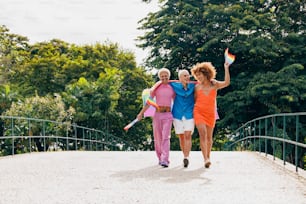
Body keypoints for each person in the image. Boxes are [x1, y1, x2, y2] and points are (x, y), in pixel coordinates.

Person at [191, 61, 231, 168]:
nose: (198, 77)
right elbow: (194, 100)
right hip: (198, 111)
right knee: (203, 134)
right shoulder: (196, 87)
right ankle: (205, 159)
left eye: (200, 74)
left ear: (206, 74)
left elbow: (227, 83)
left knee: (209, 137)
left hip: (210, 113)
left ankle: (208, 156)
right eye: (197, 75)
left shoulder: (215, 84)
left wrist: (226, 68)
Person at [137, 68, 175, 168]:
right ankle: (160, 158)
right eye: (162, 76)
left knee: (166, 137)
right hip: (157, 115)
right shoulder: (156, 88)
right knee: (158, 138)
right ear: (159, 77)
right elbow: (149, 102)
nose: (164, 77)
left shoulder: (172, 87)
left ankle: (165, 159)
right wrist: (141, 113)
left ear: (169, 76)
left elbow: (177, 101)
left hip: (168, 115)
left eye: (166, 75)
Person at [169, 70, 195, 168]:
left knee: (188, 135)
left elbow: (203, 81)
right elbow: (165, 81)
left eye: (188, 76)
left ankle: (186, 157)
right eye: (185, 76)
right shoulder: (174, 85)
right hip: (177, 114)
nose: (187, 77)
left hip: (189, 114)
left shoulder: (193, 85)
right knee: (181, 136)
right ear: (180, 78)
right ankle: (185, 155)